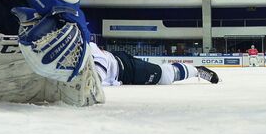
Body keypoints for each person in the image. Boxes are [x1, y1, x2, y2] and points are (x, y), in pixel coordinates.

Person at [90, 42, 219, 86]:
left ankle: (197, 70)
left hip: (125, 67)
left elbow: (100, 59)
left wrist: (95, 80)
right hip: (120, 68)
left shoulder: (86, 45)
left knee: (163, 75)